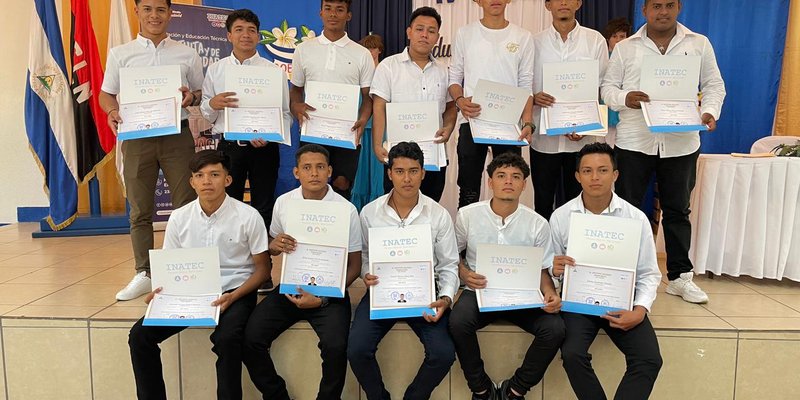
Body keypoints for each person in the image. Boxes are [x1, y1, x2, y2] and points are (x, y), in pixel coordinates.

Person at [601, 0, 726, 304]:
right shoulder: (626, 48)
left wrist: (709, 112)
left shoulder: (699, 44)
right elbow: (606, 88)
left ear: (679, 7)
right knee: (627, 208)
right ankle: (623, 274)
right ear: (645, 11)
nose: (663, 11)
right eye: (656, 5)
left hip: (681, 142)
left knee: (677, 210)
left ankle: (680, 277)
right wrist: (624, 97)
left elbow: (714, 85)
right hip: (634, 141)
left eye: (669, 5)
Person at [128, 150, 270, 400]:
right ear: (191, 181)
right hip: (190, 293)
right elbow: (170, 267)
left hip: (234, 292)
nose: (207, 181)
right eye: (200, 175)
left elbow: (263, 269)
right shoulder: (179, 217)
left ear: (227, 179)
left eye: (215, 174)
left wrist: (234, 296)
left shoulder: (248, 216)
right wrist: (159, 293)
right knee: (140, 336)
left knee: (227, 339)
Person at [100, 0, 204, 301]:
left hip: (177, 134)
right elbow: (107, 94)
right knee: (140, 208)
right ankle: (144, 272)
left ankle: (184, 268)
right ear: (137, 13)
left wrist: (191, 96)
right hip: (137, 138)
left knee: (185, 205)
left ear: (170, 13)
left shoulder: (187, 53)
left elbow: (200, 93)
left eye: (160, 9)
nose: (154, 16)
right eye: (147, 9)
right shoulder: (121, 54)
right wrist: (111, 111)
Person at [243, 144, 362, 400]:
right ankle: (277, 395)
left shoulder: (347, 210)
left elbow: (355, 265)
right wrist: (272, 246)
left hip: (330, 294)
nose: (314, 173)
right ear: (296, 172)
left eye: (320, 167)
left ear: (330, 171)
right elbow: (274, 245)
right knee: (250, 338)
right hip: (290, 288)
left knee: (336, 347)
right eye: (307, 168)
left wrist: (325, 298)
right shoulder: (284, 203)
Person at [550, 142, 662, 399]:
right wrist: (555, 268)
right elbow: (551, 269)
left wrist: (640, 309)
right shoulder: (561, 216)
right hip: (578, 303)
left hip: (623, 302)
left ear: (615, 175)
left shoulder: (635, 218)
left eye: (602, 170)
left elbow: (649, 273)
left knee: (649, 359)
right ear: (577, 176)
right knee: (572, 354)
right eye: (587, 171)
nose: (595, 177)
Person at [449, 152, 565, 400]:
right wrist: (465, 273)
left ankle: (515, 390)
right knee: (458, 322)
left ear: (524, 184)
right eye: (501, 176)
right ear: (490, 182)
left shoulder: (537, 223)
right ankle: (481, 388)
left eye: (516, 177)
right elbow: (451, 256)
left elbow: (543, 269)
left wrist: (551, 294)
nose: (508, 181)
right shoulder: (467, 215)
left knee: (555, 329)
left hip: (523, 295)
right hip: (479, 291)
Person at [348, 142, 458, 400]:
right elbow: (364, 256)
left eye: (413, 171)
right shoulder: (370, 212)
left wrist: (446, 298)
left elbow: (449, 264)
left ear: (423, 173)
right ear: (389, 174)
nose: (407, 178)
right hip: (381, 293)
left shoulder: (439, 215)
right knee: (356, 349)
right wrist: (366, 274)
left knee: (443, 354)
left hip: (424, 295)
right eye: (399, 171)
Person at [200, 9, 292, 293]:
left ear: (258, 35)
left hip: (265, 149)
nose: (245, 35)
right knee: (228, 206)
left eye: (251, 29)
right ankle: (230, 271)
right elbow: (206, 113)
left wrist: (270, 132)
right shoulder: (216, 71)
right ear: (229, 35)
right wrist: (212, 104)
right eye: (239, 29)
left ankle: (262, 271)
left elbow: (286, 114)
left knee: (262, 207)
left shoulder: (273, 72)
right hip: (229, 148)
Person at [448, 0, 535, 208]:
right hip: (472, 121)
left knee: (508, 184)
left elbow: (526, 85)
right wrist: (460, 101)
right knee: (468, 188)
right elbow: (453, 79)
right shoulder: (464, 33)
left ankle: (506, 234)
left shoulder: (523, 36)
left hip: (509, 125)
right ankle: (465, 238)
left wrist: (528, 123)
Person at [531, 0, 610, 221]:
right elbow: (524, 83)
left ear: (578, 3)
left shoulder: (594, 40)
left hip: (582, 139)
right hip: (544, 140)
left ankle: (575, 253)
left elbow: (604, 88)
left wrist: (588, 124)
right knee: (543, 203)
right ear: (547, 5)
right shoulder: (534, 43)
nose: (563, 2)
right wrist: (534, 97)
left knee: (579, 205)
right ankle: (547, 253)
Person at [290, 0, 375, 200]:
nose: (333, 14)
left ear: (348, 15)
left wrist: (363, 119)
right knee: (311, 185)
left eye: (339, 10)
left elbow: (368, 98)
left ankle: (339, 231)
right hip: (312, 131)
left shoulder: (361, 54)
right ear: (321, 13)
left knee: (342, 186)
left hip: (347, 133)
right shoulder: (303, 50)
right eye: (328, 8)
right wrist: (296, 106)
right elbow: (296, 90)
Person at [371, 6, 456, 202]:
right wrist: (377, 144)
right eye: (419, 29)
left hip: (434, 156)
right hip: (398, 158)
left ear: (437, 37)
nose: (425, 35)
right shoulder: (388, 67)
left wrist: (449, 127)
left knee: (430, 209)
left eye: (431, 31)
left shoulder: (445, 71)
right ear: (409, 32)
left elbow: (451, 107)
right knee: (395, 208)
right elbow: (379, 107)